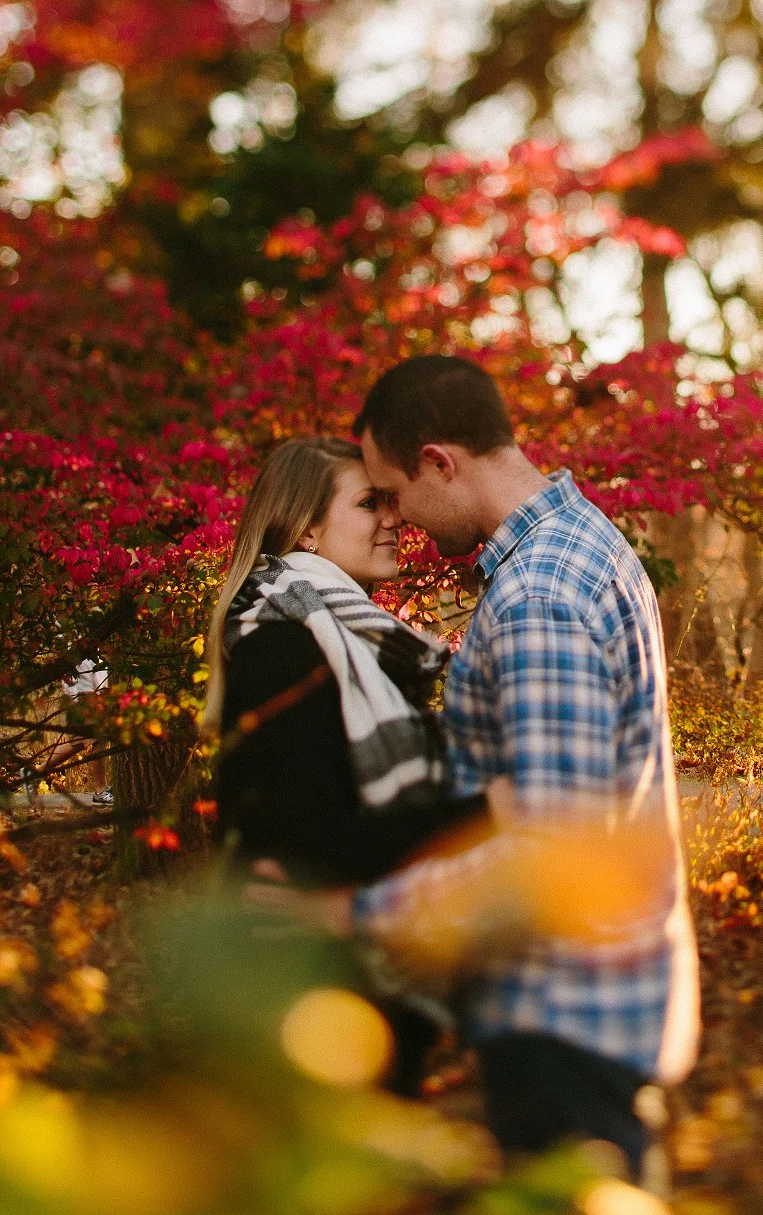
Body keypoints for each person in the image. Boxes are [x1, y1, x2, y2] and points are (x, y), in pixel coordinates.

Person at [348, 355, 700, 1174]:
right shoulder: (584, 545)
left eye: (395, 493)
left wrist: (360, 914)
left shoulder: (538, 593)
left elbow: (551, 854)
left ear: (440, 461)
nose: (396, 519)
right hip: (600, 1008)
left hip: (564, 1019)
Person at [200, 436, 490, 1096]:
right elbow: (314, 842)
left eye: (392, 500)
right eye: (369, 503)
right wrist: (491, 809)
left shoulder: (345, 638)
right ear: (306, 529)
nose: (396, 518)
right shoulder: (282, 643)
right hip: (309, 1005)